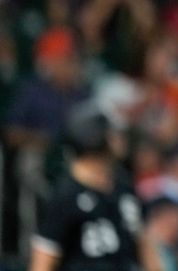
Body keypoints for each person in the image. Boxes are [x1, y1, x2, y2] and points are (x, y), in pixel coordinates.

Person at [29, 103, 160, 271]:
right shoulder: (65, 196)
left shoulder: (124, 186)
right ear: (94, 137)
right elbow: (42, 262)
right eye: (112, 134)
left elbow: (145, 246)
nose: (119, 138)